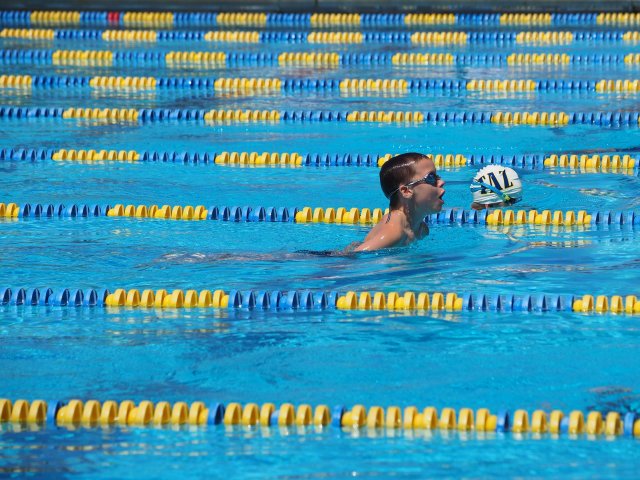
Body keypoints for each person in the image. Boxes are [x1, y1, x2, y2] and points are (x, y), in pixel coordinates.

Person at [353, 152, 445, 252]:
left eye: (438, 177)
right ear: (406, 191)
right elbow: (356, 254)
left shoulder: (422, 230)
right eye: (431, 178)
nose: (441, 182)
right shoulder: (396, 230)